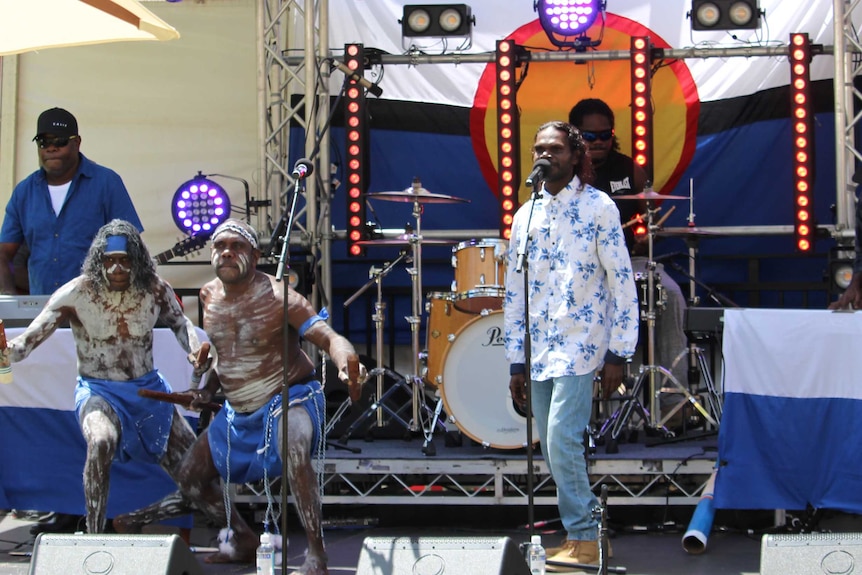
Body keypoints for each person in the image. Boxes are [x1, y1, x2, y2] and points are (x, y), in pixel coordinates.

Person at [113, 219, 367, 571]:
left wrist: (346, 361)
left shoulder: (281, 297)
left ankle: (316, 553)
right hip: (237, 409)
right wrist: (207, 390)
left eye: (237, 246)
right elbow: (228, 357)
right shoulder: (208, 295)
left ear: (256, 255)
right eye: (219, 246)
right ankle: (244, 538)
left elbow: (328, 338)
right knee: (190, 477)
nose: (226, 253)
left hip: (287, 398)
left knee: (294, 445)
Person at [2, 220, 206, 535]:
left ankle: (136, 520)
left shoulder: (154, 288)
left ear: (137, 259)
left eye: (124, 260)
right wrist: (5, 349)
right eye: (108, 261)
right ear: (98, 260)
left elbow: (181, 324)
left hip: (147, 394)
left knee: (200, 477)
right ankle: (93, 538)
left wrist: (194, 350)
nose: (116, 269)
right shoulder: (77, 292)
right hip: (99, 393)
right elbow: (25, 344)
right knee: (101, 441)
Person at [505, 121, 639, 569]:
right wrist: (515, 362)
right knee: (552, 443)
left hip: (583, 345)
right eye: (540, 148)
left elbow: (622, 282)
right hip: (539, 349)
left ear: (574, 154)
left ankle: (584, 534)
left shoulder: (599, 207)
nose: (546, 155)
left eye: (556, 148)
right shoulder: (525, 215)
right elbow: (514, 293)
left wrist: (620, 351)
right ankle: (585, 533)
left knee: (563, 437)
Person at [569, 98, 690, 391]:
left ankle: (672, 398)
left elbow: (651, 220)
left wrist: (648, 235)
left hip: (626, 263)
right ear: (574, 135)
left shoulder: (631, 171)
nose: (597, 142)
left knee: (671, 295)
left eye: (604, 135)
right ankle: (593, 399)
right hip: (580, 267)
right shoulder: (565, 173)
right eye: (589, 136)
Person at [0, 107, 142, 295]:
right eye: (44, 142)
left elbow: (131, 246)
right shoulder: (24, 192)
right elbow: (3, 253)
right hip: (44, 313)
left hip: (97, 311)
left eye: (60, 141)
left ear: (77, 143)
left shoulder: (106, 183)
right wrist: (10, 300)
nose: (51, 148)